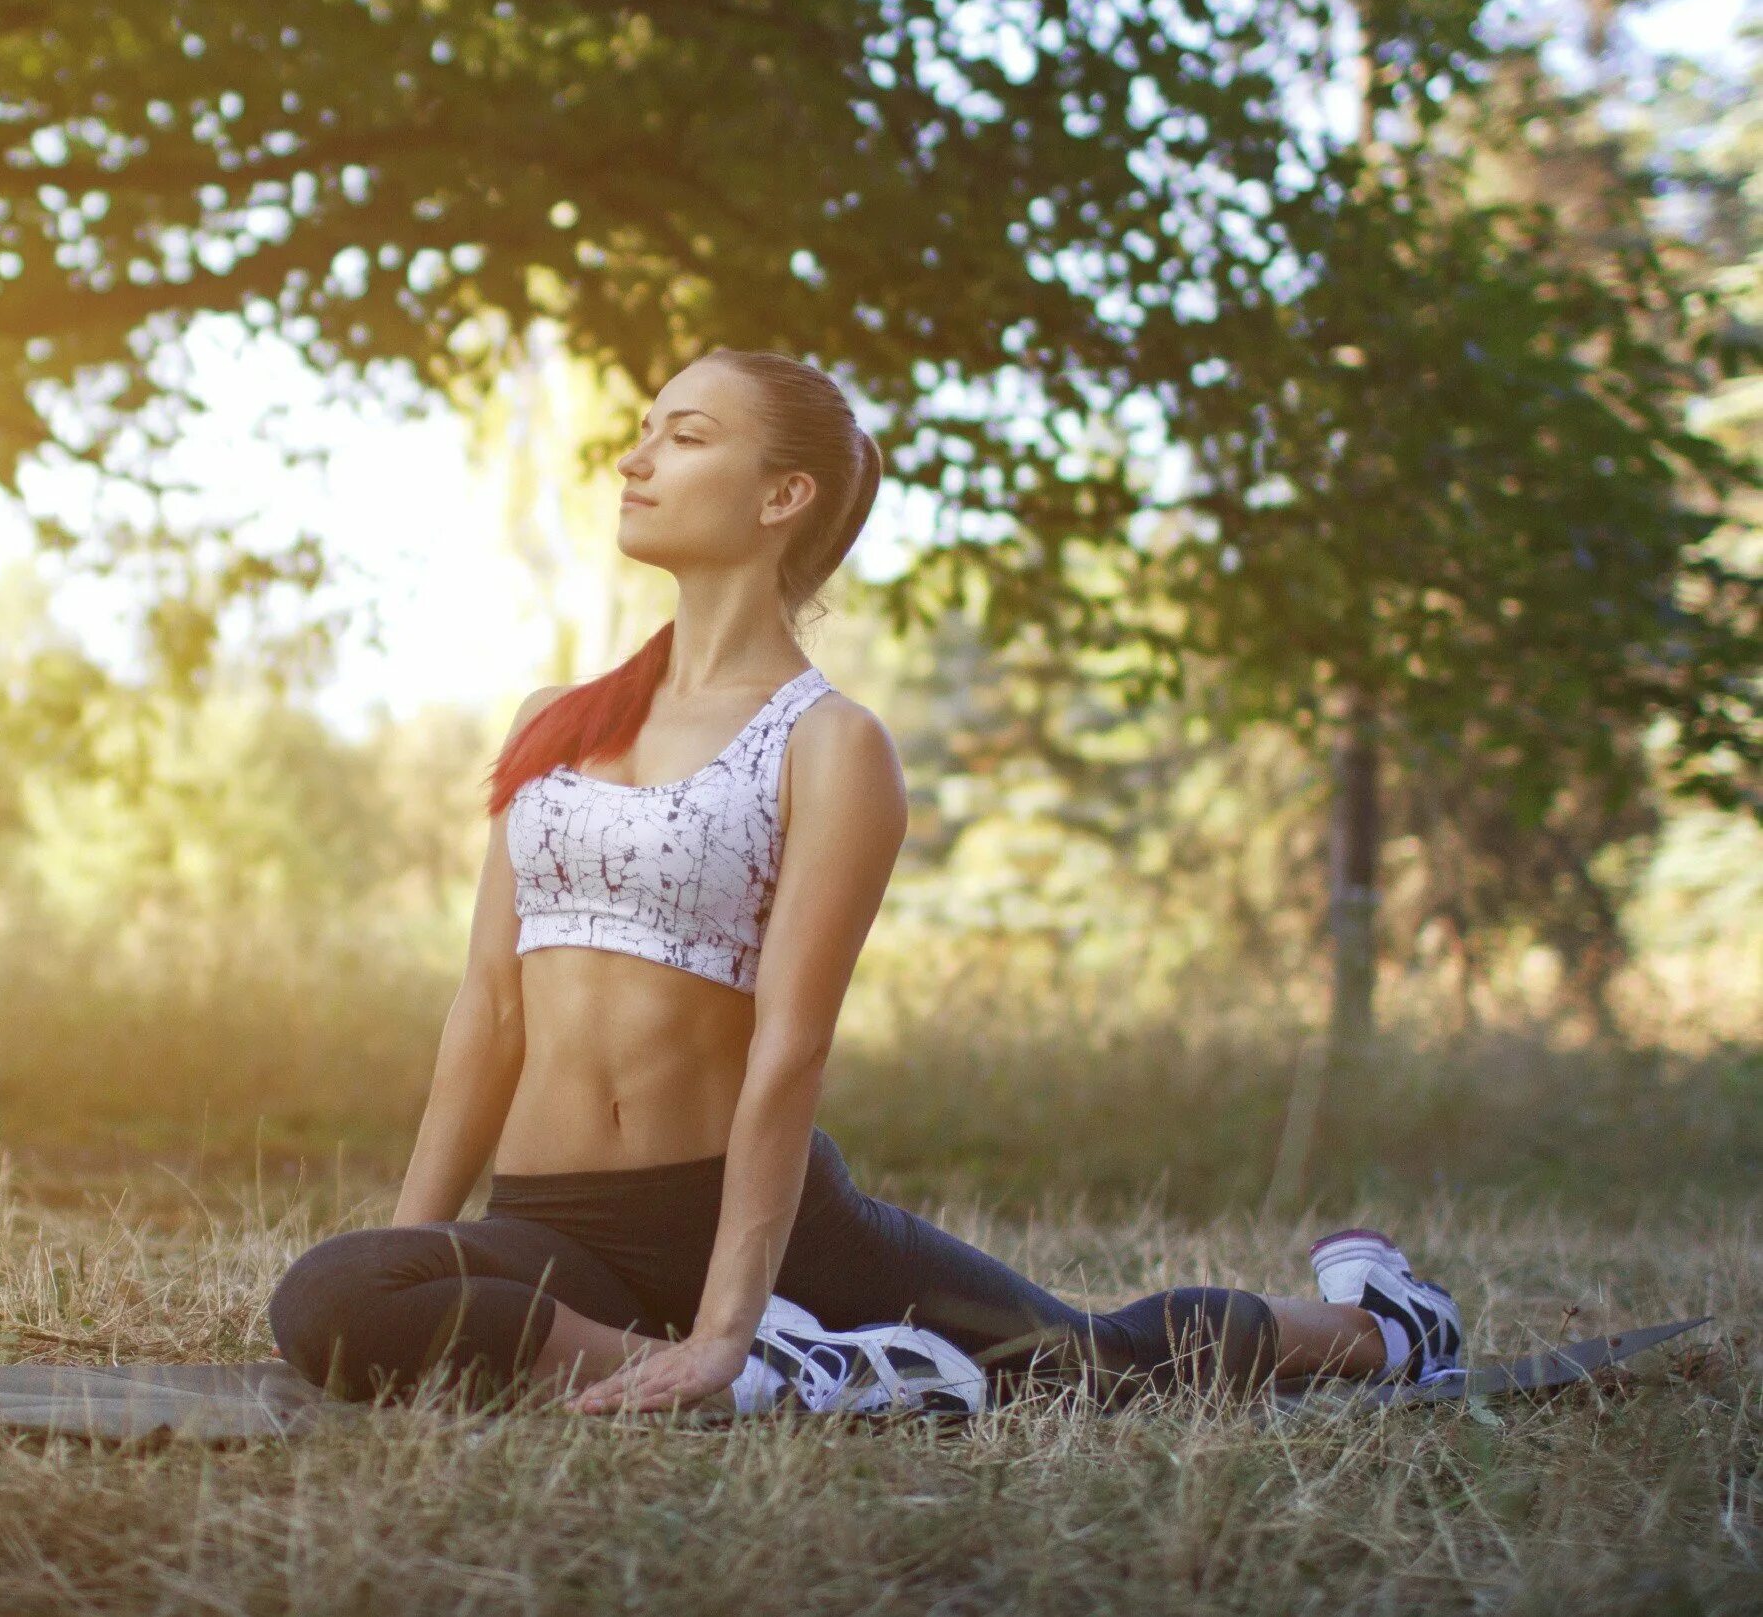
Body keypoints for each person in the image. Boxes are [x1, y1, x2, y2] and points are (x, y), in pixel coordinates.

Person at [265, 348, 1465, 1418]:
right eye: (644, 427)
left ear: (781, 495)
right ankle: (758, 1369)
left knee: (1087, 1363)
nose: (635, 457)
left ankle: (1378, 1323)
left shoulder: (828, 744)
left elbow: (789, 1046)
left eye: (685, 436)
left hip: (744, 1223)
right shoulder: (557, 724)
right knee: (332, 1296)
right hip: (550, 1221)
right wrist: (411, 1248)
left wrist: (727, 1320)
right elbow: (488, 1009)